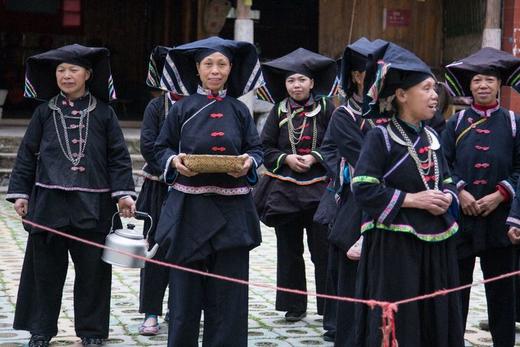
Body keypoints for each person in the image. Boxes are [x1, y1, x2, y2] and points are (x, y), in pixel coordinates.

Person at [6, 44, 136, 347]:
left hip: (93, 206)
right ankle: (41, 331)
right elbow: (27, 154)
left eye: (73, 70)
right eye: (61, 70)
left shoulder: (104, 113)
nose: (66, 75)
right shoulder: (44, 112)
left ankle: (91, 333)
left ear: (87, 74)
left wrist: (124, 195)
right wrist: (21, 193)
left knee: (93, 273)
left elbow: (118, 157)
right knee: (44, 273)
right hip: (48, 204)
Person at [154, 36, 264, 347]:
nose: (215, 70)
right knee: (185, 291)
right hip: (189, 209)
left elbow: (256, 150)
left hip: (234, 211)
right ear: (198, 69)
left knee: (230, 291)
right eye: (208, 64)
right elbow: (160, 148)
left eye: (222, 64)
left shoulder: (240, 110)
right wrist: (174, 161)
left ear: (231, 69)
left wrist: (248, 163)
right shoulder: (181, 108)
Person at [351, 42, 464, 347]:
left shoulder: (432, 137)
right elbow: (363, 186)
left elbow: (449, 179)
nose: (433, 96)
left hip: (435, 243)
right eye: (426, 89)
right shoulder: (381, 136)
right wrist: (414, 200)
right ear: (401, 95)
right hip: (394, 246)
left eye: (435, 89)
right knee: (401, 315)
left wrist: (447, 198)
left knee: (433, 312)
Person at [443, 47, 520, 347]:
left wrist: (501, 195)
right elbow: (441, 164)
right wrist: (459, 191)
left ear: (499, 84)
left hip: (500, 221)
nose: (483, 86)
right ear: (469, 86)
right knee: (456, 289)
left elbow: (519, 167)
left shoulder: (514, 123)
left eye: (489, 79)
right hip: (462, 219)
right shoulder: (456, 123)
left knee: (502, 290)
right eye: (477, 80)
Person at [253, 48, 336, 322]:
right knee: (289, 251)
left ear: (312, 83)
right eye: (291, 81)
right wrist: (287, 158)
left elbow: (335, 144)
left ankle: (329, 307)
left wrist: (315, 157)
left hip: (319, 190)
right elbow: (264, 148)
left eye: (301, 80)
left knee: (322, 250)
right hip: (284, 191)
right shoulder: (278, 110)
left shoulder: (326, 108)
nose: (296, 85)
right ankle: (294, 305)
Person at [318, 37, 388, 346]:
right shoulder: (344, 117)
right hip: (354, 203)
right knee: (349, 280)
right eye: (370, 71)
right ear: (357, 76)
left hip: (393, 206)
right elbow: (367, 161)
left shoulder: (397, 114)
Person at [136, 45, 180, 336]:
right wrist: (176, 166)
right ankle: (151, 312)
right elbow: (149, 147)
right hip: (160, 187)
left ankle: (182, 311)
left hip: (196, 190)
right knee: (156, 249)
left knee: (190, 251)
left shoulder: (204, 103)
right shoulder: (157, 107)